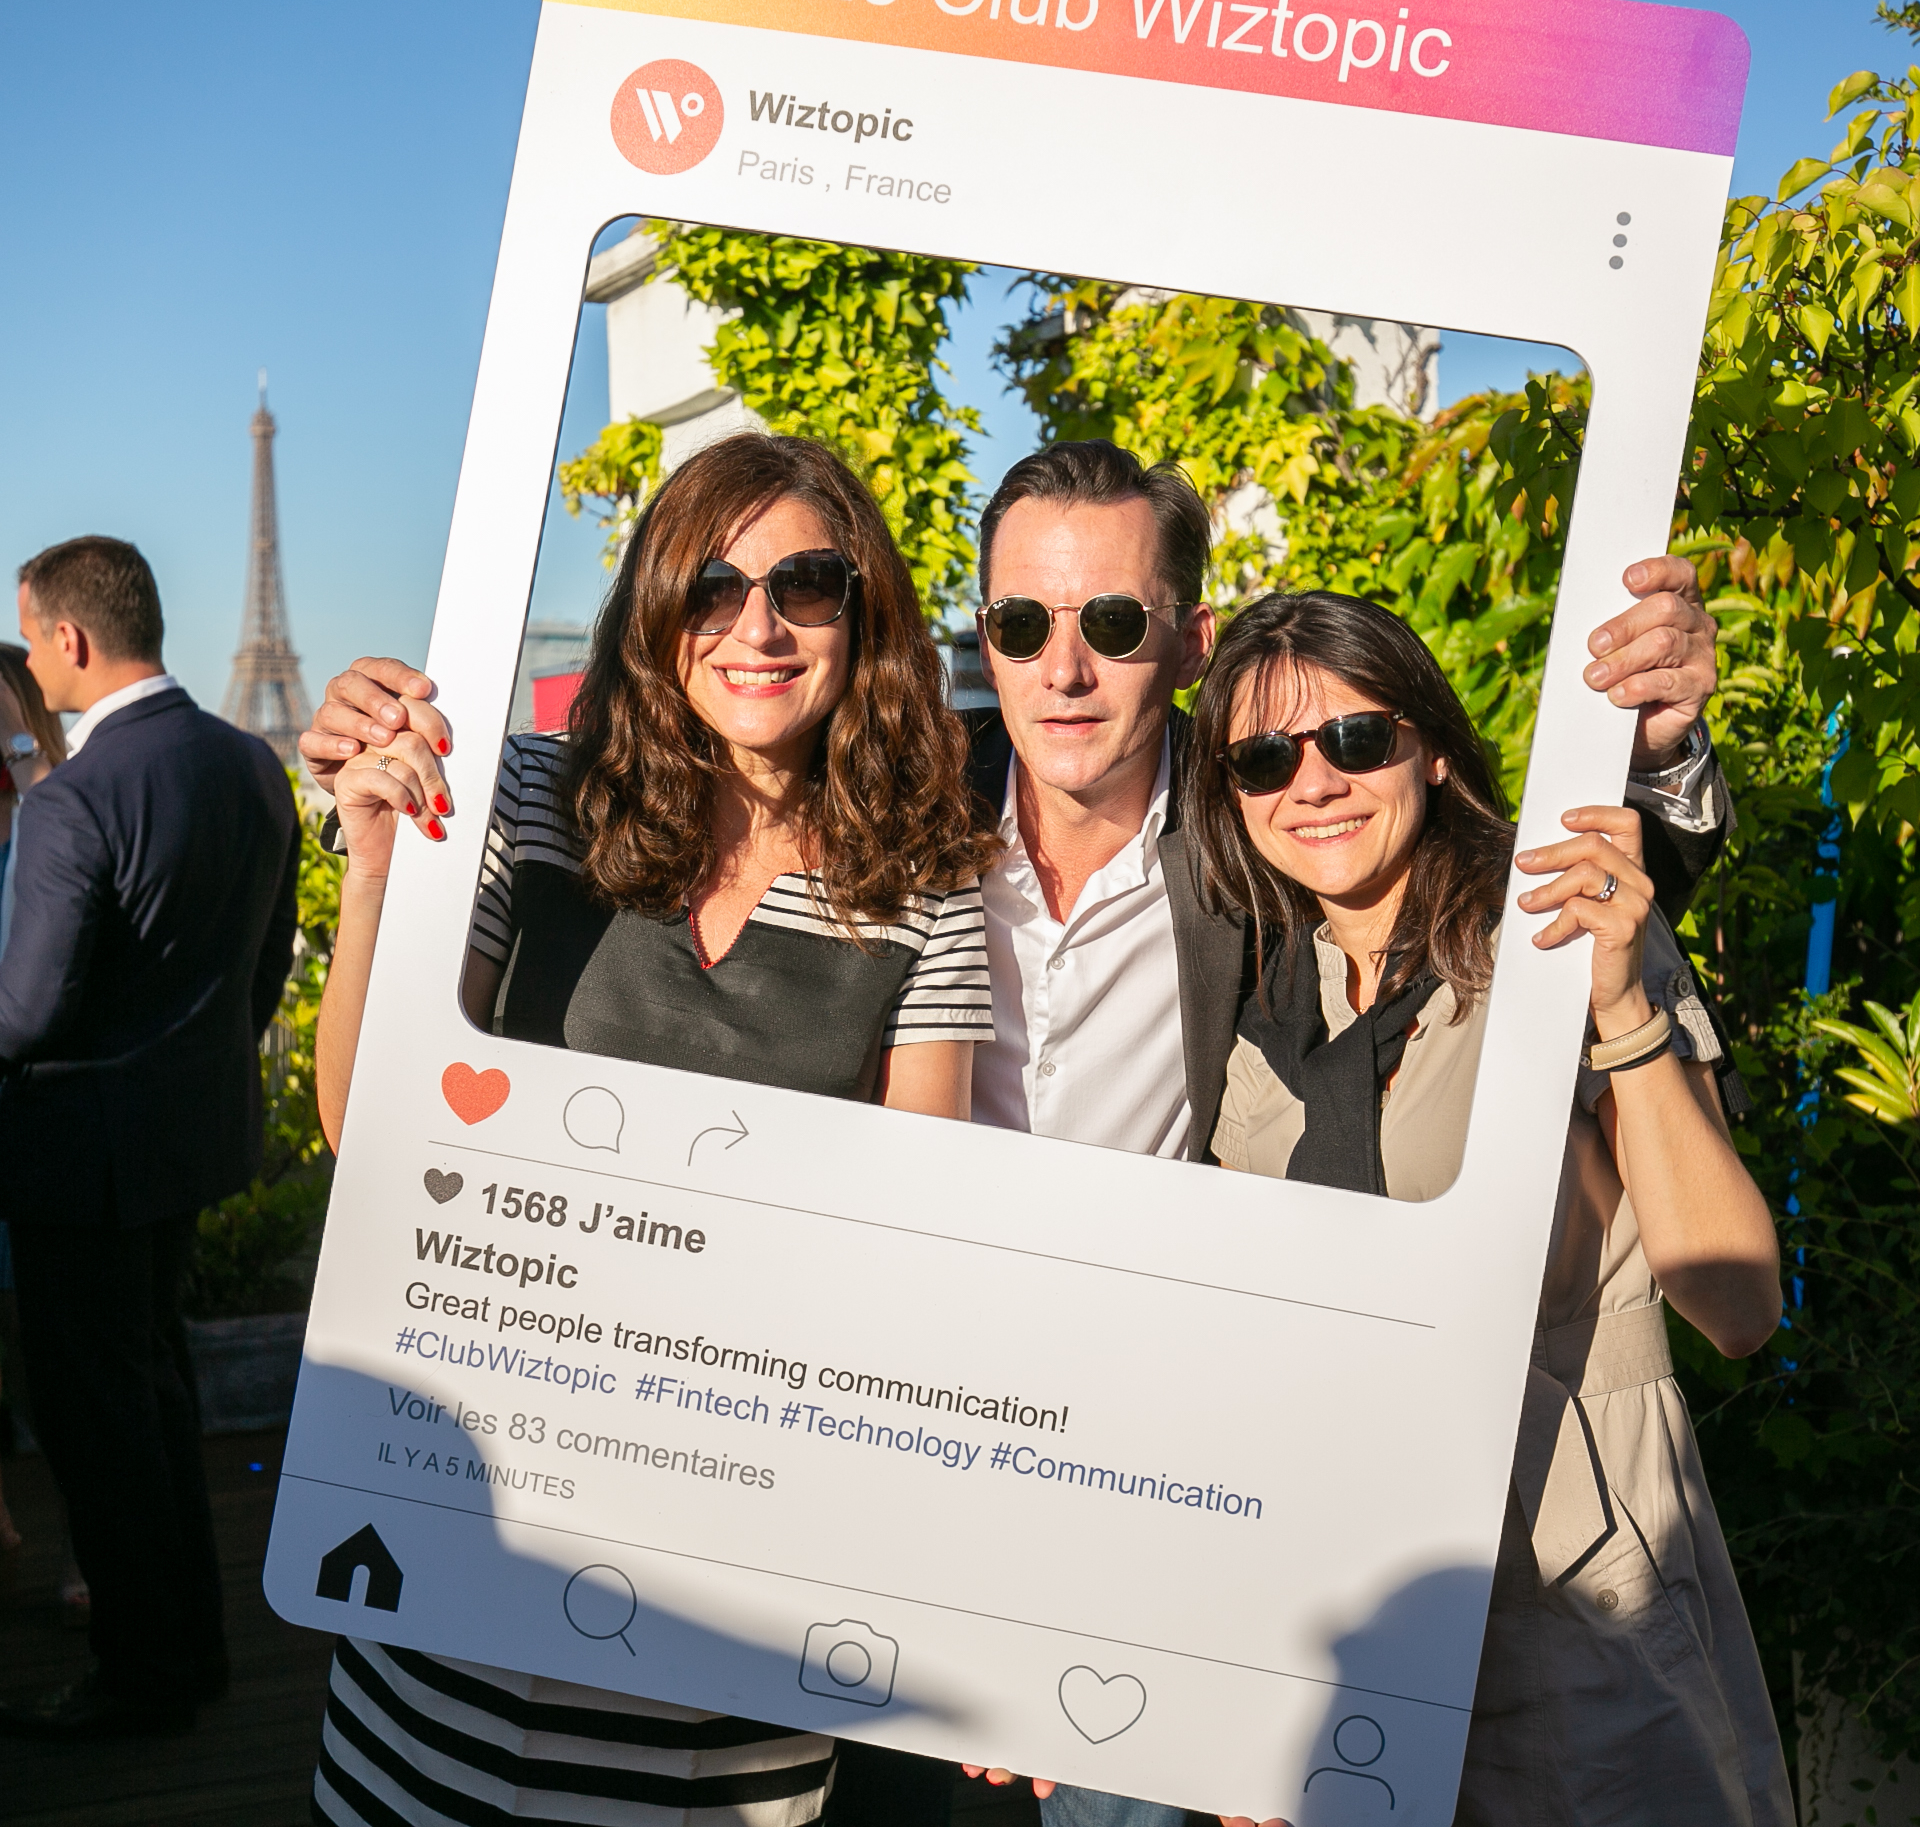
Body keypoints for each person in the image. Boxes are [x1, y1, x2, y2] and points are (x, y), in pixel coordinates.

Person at [311, 438, 1737, 1827]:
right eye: (1020, 624)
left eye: (1112, 624)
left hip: (1132, 1500)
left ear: (1187, 642)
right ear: (976, 635)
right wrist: (378, 841)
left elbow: (1460, 877)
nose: (1063, 668)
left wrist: (1658, 750)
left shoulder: (1251, 820)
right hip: (796, 1454)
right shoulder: (912, 822)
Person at [305, 432, 998, 1827]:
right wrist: (375, 877)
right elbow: (362, 1128)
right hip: (476, 1532)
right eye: (713, 587)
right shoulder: (526, 801)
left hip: (726, 1585)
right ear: (654, 607)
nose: (758, 625)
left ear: (864, 614)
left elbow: (921, 1235)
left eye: (807, 584)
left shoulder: (924, 892)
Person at [1186, 591, 1789, 1826]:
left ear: (1430, 748)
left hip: (1579, 1592)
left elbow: (1737, 1306)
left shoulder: (1562, 939)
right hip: (1360, 1610)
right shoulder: (1268, 1016)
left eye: (1355, 738)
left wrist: (1620, 1010)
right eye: (1263, 759)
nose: (1314, 784)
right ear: (1232, 796)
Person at [0, 536, 301, 1739]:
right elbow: (266, 970)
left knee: (97, 1423)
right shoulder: (251, 764)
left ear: (71, 639)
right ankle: (189, 1646)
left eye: (32, 638)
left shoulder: (74, 798)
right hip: (189, 1140)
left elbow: (25, 1012)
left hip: (76, 1158)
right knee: (160, 1393)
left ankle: (142, 1671)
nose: (31, 662)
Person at [0, 643, 66, 1561]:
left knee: (40, 1347)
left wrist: (26, 760)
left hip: (36, 1124)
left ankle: (81, 1544)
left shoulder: (54, 822)